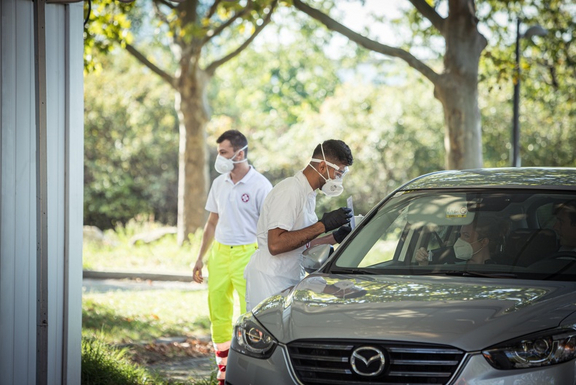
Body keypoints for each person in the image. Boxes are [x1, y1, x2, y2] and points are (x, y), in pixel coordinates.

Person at [192, 130, 272, 385]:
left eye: (224, 153)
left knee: (250, 313)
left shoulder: (261, 185)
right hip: (219, 254)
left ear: (240, 153)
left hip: (248, 254)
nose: (220, 158)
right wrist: (200, 258)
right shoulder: (219, 183)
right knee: (219, 313)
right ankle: (223, 371)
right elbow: (212, 222)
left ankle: (252, 370)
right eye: (219, 153)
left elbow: (269, 227)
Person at [244, 139, 354, 312]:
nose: (338, 179)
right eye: (338, 173)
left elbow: (300, 243)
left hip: (288, 276)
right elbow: (275, 244)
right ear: (323, 166)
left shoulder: (308, 195)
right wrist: (322, 225)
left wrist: (334, 237)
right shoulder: (290, 191)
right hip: (270, 279)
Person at [416, 218, 505, 265]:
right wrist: (423, 263)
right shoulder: (450, 264)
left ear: (484, 242)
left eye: (466, 236)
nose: (460, 240)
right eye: (460, 235)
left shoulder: (500, 271)